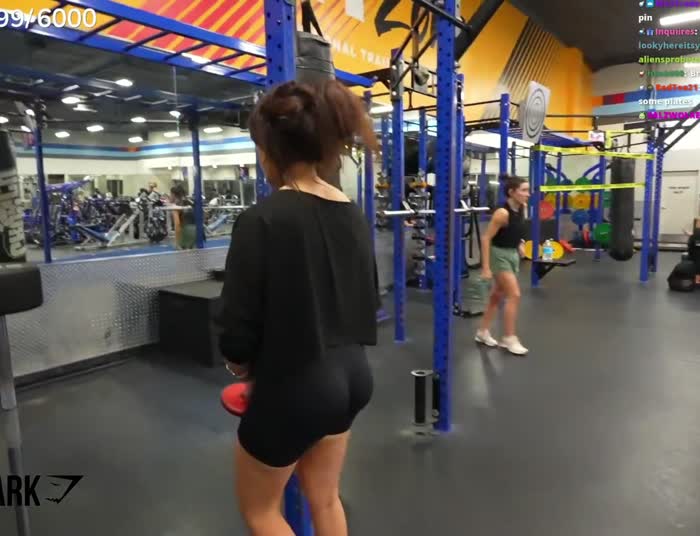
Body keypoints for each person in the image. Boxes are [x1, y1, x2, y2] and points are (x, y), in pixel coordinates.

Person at [215, 80, 379, 536]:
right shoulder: (352, 213)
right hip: (352, 378)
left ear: (271, 150)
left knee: (262, 512)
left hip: (296, 388)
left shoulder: (261, 219)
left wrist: (238, 363)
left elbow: (238, 326)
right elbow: (368, 298)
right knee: (324, 499)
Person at [475, 175, 530, 356]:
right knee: (514, 295)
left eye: (528, 190)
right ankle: (509, 338)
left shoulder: (523, 207)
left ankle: (482, 331)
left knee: (497, 296)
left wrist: (520, 243)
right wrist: (486, 267)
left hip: (512, 254)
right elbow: (486, 238)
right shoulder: (502, 213)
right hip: (499, 255)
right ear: (511, 192)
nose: (528, 194)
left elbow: (519, 229)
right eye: (524, 190)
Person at [170, 184, 196, 249]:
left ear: (173, 195)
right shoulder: (188, 202)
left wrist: (177, 243)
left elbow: (177, 224)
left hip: (185, 237)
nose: (170, 196)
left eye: (170, 194)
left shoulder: (176, 206)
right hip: (195, 235)